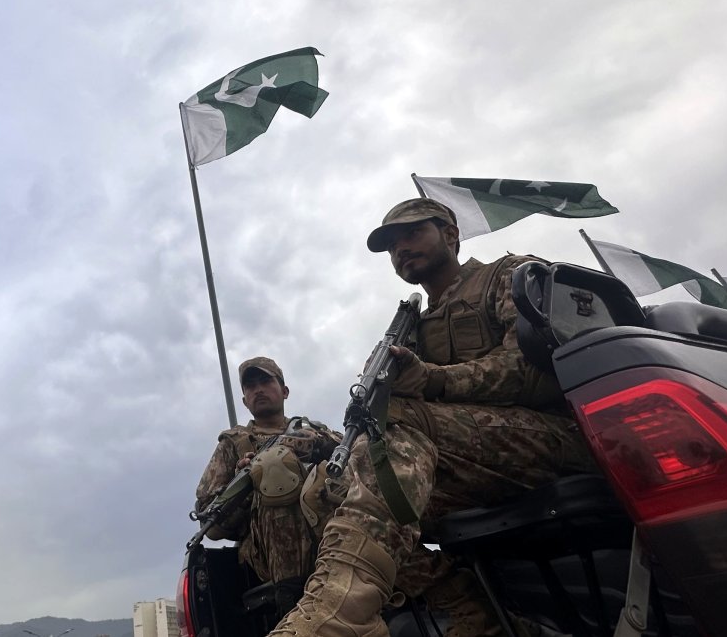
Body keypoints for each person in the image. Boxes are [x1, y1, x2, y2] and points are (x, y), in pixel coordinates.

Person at [268, 198, 595, 637]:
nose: (400, 249)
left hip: (552, 438)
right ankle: (471, 610)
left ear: (452, 234)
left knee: (399, 423)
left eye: (412, 233)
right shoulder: (410, 328)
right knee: (324, 489)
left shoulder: (508, 274)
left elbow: (533, 368)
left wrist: (433, 380)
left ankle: (339, 619)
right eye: (391, 245)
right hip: (458, 459)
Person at [195, 357, 344, 598]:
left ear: (285, 391)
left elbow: (353, 453)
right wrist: (244, 484)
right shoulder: (234, 444)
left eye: (265, 381)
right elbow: (210, 524)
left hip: (333, 534)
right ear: (244, 400)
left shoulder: (314, 430)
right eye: (251, 386)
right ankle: (296, 601)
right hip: (273, 560)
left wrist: (319, 445)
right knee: (272, 466)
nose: (259, 389)